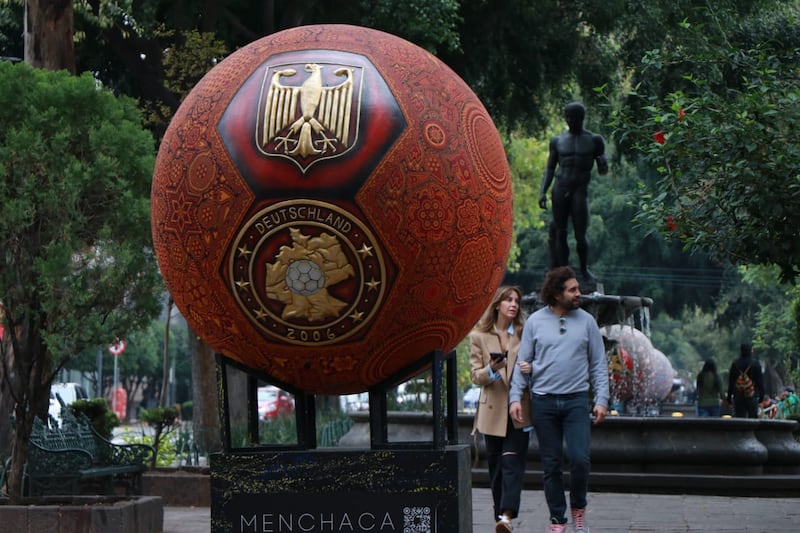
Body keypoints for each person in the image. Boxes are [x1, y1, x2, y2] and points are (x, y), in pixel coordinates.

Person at [509, 266, 609, 533]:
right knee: (551, 465)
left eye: (578, 289)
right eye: (572, 290)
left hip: (576, 401)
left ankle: (578, 509)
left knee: (579, 459)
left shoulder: (587, 321)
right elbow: (523, 362)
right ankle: (557, 519)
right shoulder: (535, 322)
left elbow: (599, 364)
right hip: (544, 403)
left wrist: (601, 399)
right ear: (556, 294)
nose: (579, 293)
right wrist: (515, 398)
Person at [469, 285, 532, 533]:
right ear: (497, 304)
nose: (513, 304)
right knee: (496, 469)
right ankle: (500, 517)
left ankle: (507, 516)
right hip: (492, 412)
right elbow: (475, 376)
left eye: (517, 300)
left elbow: (538, 364)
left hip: (520, 410)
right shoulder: (479, 336)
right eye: (508, 299)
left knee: (512, 464)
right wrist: (493, 369)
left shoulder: (525, 334)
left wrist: (532, 369)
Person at [539, 102, 608, 281]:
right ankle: (563, 271)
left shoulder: (594, 140)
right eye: (568, 116)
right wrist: (542, 191)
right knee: (560, 231)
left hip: (579, 189)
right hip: (560, 187)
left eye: (574, 117)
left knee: (580, 234)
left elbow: (603, 169)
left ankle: (584, 270)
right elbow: (550, 168)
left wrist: (602, 163)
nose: (571, 120)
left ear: (582, 118)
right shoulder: (558, 141)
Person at [726, 343, 765, 418]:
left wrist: (729, 397)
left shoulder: (735, 364)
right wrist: (761, 396)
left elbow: (731, 382)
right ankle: (751, 429)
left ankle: (741, 429)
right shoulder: (755, 364)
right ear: (751, 350)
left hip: (738, 395)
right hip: (752, 394)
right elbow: (760, 381)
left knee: (740, 418)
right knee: (753, 418)